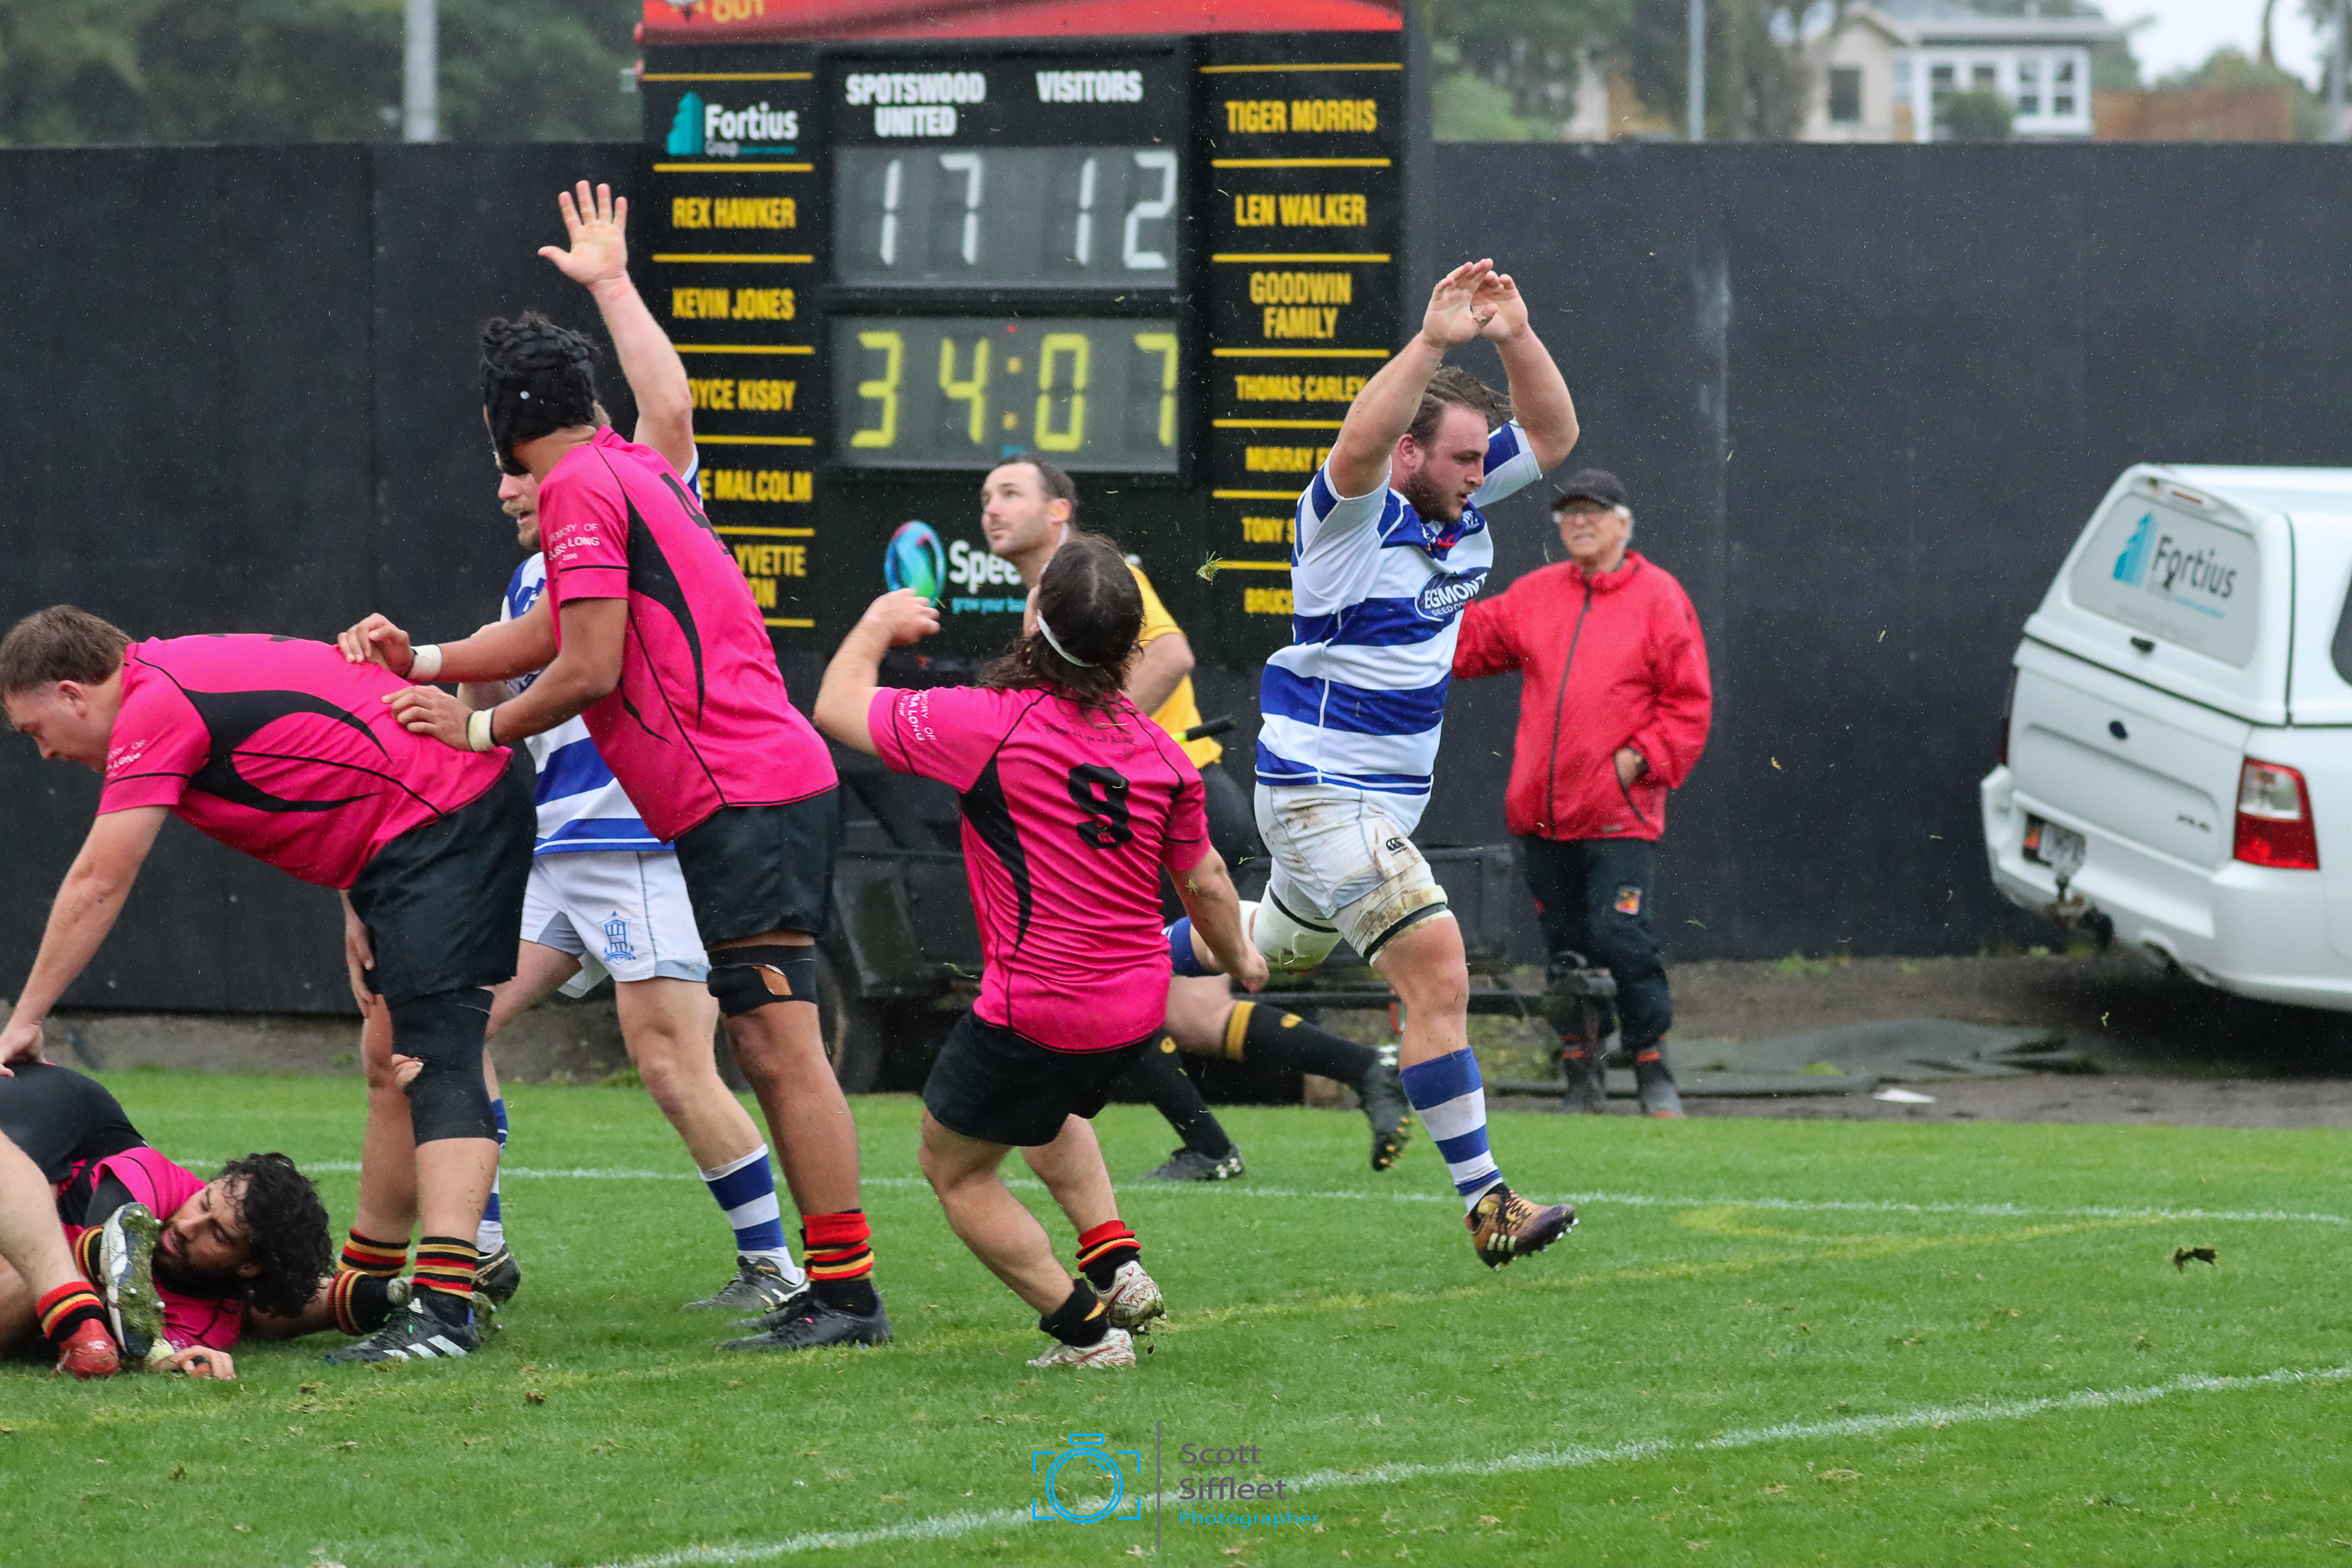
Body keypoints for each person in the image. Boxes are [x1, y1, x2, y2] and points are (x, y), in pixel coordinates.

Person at [336, 292, 883, 1352]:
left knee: (777, 1051)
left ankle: (843, 1294)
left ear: (506, 424)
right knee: (765, 1048)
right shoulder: (628, 469)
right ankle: (830, 1288)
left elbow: (588, 666)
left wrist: (475, 725)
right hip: (740, 792)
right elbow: (554, 626)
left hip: (742, 793)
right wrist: (431, 659)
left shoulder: (584, 482)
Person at [0, 606, 529, 1362]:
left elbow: (99, 880)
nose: (45, 752)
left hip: (441, 818)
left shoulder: (155, 705)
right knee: (389, 1057)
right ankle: (374, 1283)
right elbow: (340, 738)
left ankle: (446, 1308)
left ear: (72, 694)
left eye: (35, 730)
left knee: (434, 1056)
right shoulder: (172, 671)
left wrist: (27, 1015)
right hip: (414, 828)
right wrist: (357, 887)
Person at [813, 537, 1267, 1369]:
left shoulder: (986, 723)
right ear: (1129, 648)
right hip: (1134, 1008)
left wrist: (877, 623)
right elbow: (1204, 878)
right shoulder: (1162, 751)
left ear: (1035, 620)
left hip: (1041, 1009)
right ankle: (1115, 1261)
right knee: (1043, 1109)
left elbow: (838, 707)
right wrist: (1241, 956)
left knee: (955, 1170)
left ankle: (1087, 1333)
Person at [1248, 258, 1584, 1269]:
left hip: (1369, 808)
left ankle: (1090, 960)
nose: (1484, 472)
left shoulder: (1454, 505)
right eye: (1466, 458)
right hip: (1322, 796)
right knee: (1439, 972)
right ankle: (1489, 1204)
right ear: (1411, 454)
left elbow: (1555, 435)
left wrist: (1515, 335)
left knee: (1265, 952)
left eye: (1484, 458)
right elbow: (1356, 444)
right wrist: (1434, 340)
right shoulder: (1352, 517)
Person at [976, 458, 1412, 1181]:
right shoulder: (1057, 587)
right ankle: (1365, 1067)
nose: (991, 508)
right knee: (1191, 1014)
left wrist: (1093, 741)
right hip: (1190, 801)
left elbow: (1173, 653)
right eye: (987, 496)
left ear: (1058, 510)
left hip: (1171, 805)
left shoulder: (1089, 576)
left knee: (1103, 987)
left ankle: (1211, 1147)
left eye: (1010, 493)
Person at [1453, 470, 1712, 1117]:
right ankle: (1581, 1073)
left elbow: (1688, 703)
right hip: (1542, 816)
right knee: (1566, 952)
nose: (1580, 522)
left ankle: (1652, 1066)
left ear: (1625, 523)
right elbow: (1466, 644)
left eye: (1594, 512)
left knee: (1622, 936)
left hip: (1619, 814)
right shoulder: (1537, 593)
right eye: (1569, 513)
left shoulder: (1660, 597)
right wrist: (1405, 607)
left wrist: (1636, 760)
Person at [0, 1062, 333, 1378]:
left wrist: (169, 1359)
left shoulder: (209, 1323)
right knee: (57, 1264)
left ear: (249, 1267)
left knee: (46, 1278)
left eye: (219, 1235)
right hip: (56, 1101)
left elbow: (138, 1345)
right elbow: (111, 1242)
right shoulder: (164, 1180)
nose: (187, 1227)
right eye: (203, 1204)